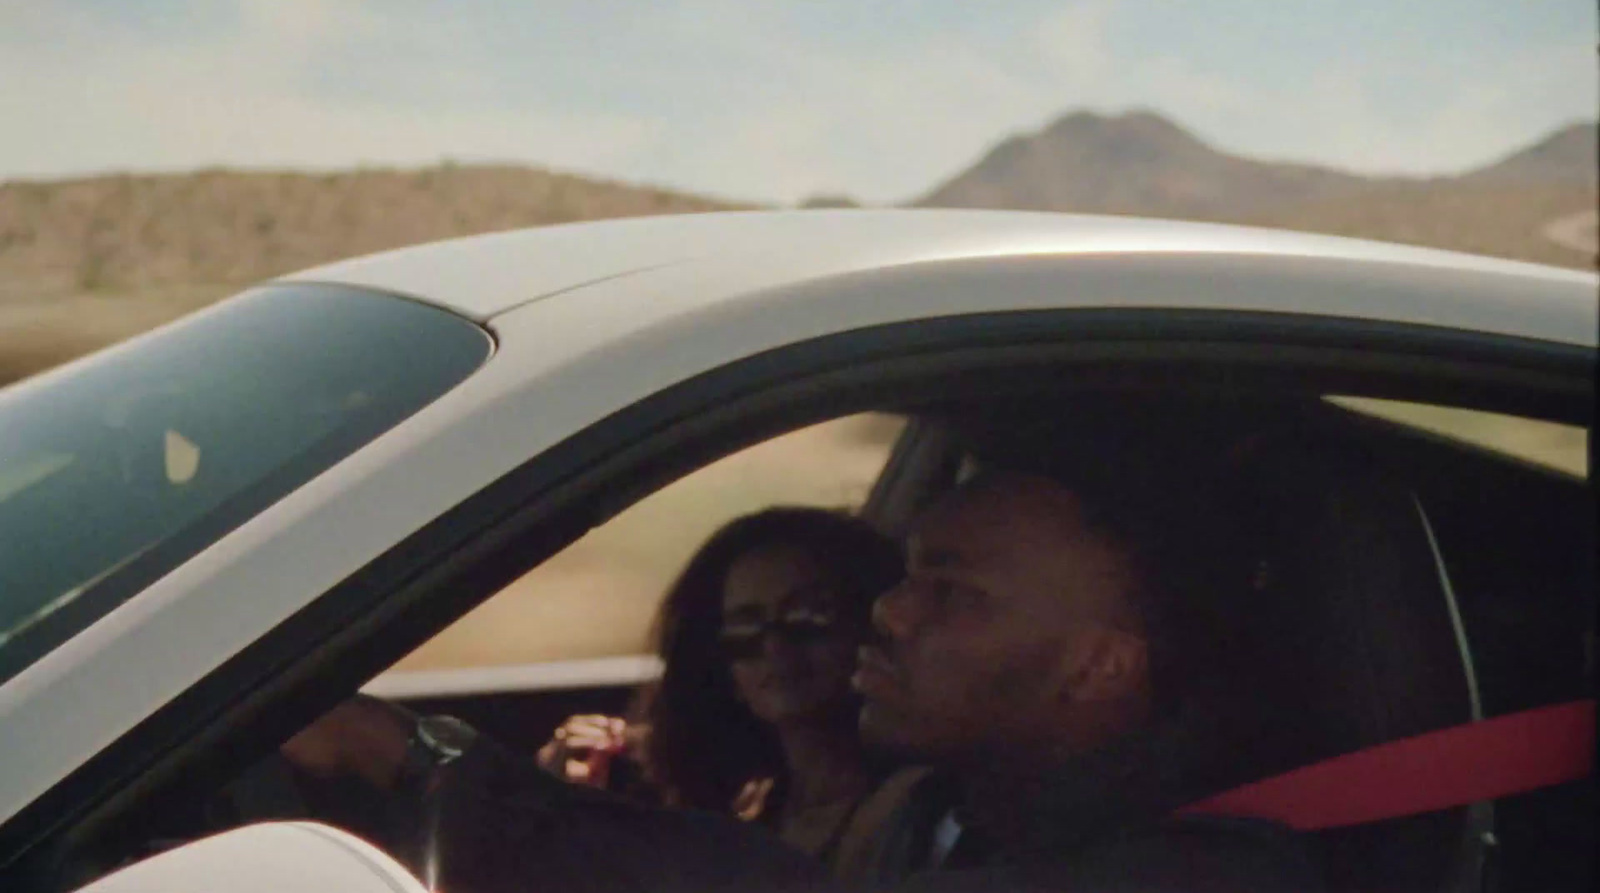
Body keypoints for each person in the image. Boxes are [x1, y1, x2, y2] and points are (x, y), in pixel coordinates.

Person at [282, 438, 1318, 892]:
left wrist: (419, 759)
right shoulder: (945, 810)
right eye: (909, 572)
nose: (890, 610)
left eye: (951, 592)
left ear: (1097, 665)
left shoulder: (1198, 875)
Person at [533, 508, 906, 861]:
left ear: (873, 624)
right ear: (717, 658)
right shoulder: (754, 805)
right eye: (745, 627)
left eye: (808, 615)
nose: (775, 645)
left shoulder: (909, 810)